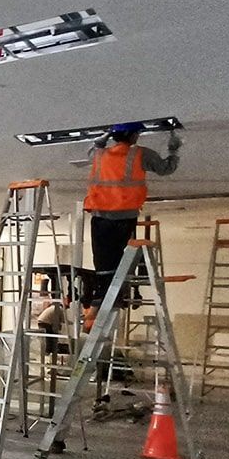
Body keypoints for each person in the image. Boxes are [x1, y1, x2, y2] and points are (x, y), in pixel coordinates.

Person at [83, 122, 180, 325]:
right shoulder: (140, 155)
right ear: (134, 136)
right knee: (117, 259)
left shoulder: (99, 155)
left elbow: (94, 149)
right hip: (123, 215)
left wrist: (103, 137)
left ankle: (100, 302)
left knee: (102, 261)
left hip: (100, 214)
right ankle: (103, 302)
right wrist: (174, 148)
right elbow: (165, 169)